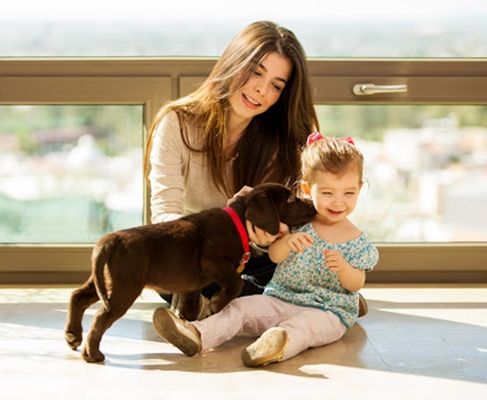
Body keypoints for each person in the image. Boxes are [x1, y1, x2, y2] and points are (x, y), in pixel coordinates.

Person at [152, 134, 379, 367]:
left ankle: (274, 344)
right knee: (241, 307)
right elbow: (274, 257)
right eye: (328, 193)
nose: (338, 202)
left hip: (329, 313)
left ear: (360, 189)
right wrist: (286, 241)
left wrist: (343, 268)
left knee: (304, 327)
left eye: (348, 193)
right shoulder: (298, 223)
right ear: (308, 189)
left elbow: (356, 284)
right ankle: (196, 334)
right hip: (281, 300)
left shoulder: (356, 240)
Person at [144, 21, 321, 314]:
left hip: (255, 258)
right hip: (197, 252)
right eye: (255, 72)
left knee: (292, 261)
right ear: (234, 61)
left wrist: (269, 235)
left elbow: (286, 225)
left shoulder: (278, 140)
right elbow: (164, 214)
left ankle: (247, 306)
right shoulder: (177, 123)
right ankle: (304, 304)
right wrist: (219, 226)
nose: (260, 90)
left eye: (276, 85)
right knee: (171, 270)